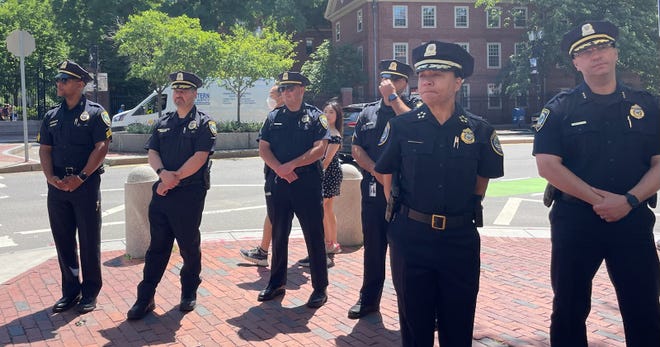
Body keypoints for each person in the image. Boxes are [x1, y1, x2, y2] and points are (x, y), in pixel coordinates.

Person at [534, 20, 660, 346]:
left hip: (632, 221)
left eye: (602, 47)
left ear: (616, 52)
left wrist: (628, 201)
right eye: (585, 52)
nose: (596, 55)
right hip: (575, 222)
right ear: (576, 63)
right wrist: (599, 201)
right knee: (569, 309)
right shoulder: (560, 108)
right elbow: (548, 165)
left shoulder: (647, 105)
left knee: (644, 308)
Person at [375, 42, 504, 346]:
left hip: (459, 240)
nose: (427, 81)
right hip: (411, 237)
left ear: (458, 82)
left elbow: (482, 180)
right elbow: (386, 173)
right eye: (423, 75)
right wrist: (397, 220)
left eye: (437, 74)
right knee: (414, 326)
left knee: (458, 326)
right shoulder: (403, 126)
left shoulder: (480, 130)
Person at [127, 71, 216, 320]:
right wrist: (162, 174)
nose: (179, 94)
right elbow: (152, 152)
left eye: (185, 90)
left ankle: (189, 291)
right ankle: (145, 298)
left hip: (189, 194)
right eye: (176, 90)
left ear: (194, 94)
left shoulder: (205, 124)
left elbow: (200, 158)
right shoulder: (163, 122)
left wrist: (172, 179)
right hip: (163, 193)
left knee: (189, 246)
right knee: (157, 248)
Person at [347, 59, 421, 319]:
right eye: (385, 78)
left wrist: (392, 97)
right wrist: (375, 171)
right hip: (374, 193)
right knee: (374, 250)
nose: (387, 83)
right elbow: (356, 147)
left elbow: (417, 126)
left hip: (406, 195)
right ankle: (368, 299)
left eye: (395, 79)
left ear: (405, 83)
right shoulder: (368, 112)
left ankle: (413, 305)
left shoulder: (413, 108)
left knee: (408, 255)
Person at [37, 60, 112, 314]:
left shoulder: (95, 113)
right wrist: (50, 177)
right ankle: (70, 291)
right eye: (58, 79)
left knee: (89, 240)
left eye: (64, 79)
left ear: (80, 84)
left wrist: (80, 177)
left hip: (85, 185)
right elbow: (45, 149)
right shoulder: (52, 116)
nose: (59, 83)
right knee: (63, 240)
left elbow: (101, 147)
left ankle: (90, 292)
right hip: (57, 187)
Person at [257, 71, 330, 308]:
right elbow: (264, 148)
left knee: (314, 236)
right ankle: (276, 283)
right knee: (278, 234)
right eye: (283, 89)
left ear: (301, 90)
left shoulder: (315, 117)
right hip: (279, 183)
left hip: (306, 184)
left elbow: (320, 148)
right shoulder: (274, 117)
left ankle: (320, 288)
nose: (286, 93)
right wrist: (279, 168)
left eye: (291, 88)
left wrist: (293, 165)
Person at [239, 85, 284, 267]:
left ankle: (321, 251)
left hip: (279, 175)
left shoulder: (280, 117)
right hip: (276, 173)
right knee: (273, 214)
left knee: (279, 216)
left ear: (282, 96)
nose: (269, 99)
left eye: (272, 95)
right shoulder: (276, 116)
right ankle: (263, 251)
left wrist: (280, 169)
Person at [297, 99, 344, 267]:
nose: (327, 114)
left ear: (337, 115)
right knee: (327, 209)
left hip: (328, 174)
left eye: (331, 112)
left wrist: (315, 175)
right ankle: (331, 244)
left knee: (321, 210)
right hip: (328, 173)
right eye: (325, 111)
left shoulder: (334, 134)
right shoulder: (325, 131)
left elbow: (326, 160)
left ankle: (324, 246)